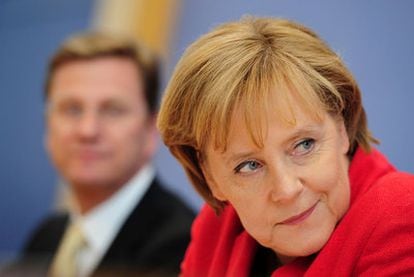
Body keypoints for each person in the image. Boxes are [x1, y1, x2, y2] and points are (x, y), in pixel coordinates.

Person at [157, 17, 414, 276]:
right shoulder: (219, 228)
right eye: (249, 165)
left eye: (304, 145)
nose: (287, 189)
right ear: (211, 177)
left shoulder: (402, 213)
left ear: (341, 127)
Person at [6, 31, 195, 277]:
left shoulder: (183, 249)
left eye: (112, 110)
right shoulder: (47, 236)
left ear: (151, 130)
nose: (88, 130)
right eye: (72, 109)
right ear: (47, 124)